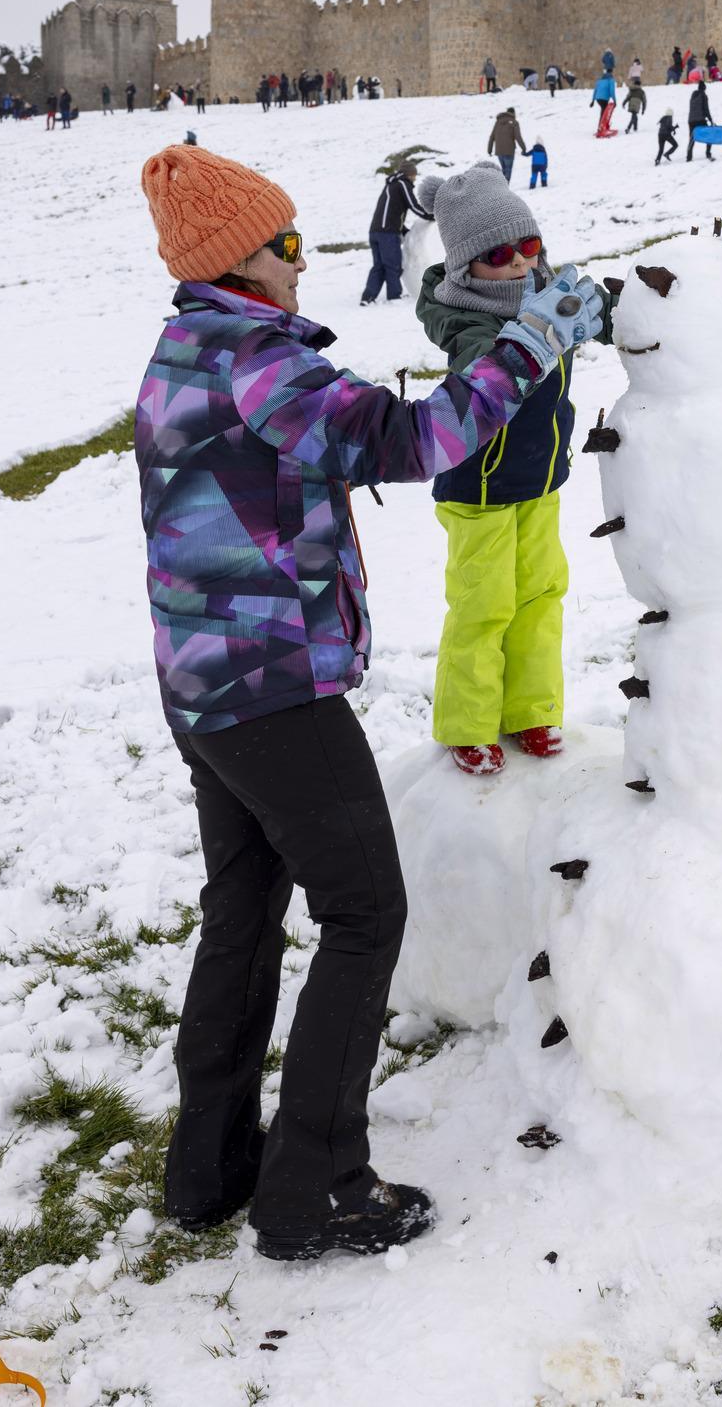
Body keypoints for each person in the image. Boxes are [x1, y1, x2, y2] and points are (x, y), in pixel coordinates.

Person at [136, 143, 601, 1260]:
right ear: (239, 262)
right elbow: (415, 439)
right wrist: (533, 340)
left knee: (243, 913)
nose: (306, 263)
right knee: (364, 912)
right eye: (287, 244)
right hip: (272, 687)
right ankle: (318, 1187)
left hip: (201, 684)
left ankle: (212, 1167)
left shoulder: (187, 348)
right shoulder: (258, 358)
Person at [414, 161, 610, 778]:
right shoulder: (468, 319)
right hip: (480, 489)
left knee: (540, 596)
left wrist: (610, 308)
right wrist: (535, 335)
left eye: (531, 246)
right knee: (484, 605)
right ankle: (467, 723)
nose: (522, 264)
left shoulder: (546, 296)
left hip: (540, 479)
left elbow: (589, 322)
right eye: (502, 255)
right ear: (467, 266)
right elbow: (487, 373)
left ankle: (531, 708)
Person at [361, 160, 432, 304]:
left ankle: (367, 297)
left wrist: (404, 230)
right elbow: (413, 205)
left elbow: (391, 213)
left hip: (375, 232)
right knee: (393, 265)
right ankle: (394, 296)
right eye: (414, 175)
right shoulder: (402, 184)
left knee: (379, 265)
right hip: (387, 234)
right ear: (409, 174)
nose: (415, 178)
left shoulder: (390, 185)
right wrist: (431, 215)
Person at [487, 106, 527, 181]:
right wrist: (523, 148)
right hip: (509, 150)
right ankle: (504, 189)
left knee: (504, 170)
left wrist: (489, 150)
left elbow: (492, 137)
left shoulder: (498, 122)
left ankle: (502, 188)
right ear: (513, 113)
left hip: (499, 151)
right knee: (508, 170)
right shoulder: (514, 122)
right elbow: (518, 137)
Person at [687, 79, 714, 161]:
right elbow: (706, 109)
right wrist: (710, 119)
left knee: (692, 138)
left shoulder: (693, 96)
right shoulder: (703, 95)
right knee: (709, 136)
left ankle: (689, 157)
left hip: (691, 120)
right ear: (704, 88)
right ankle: (708, 154)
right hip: (700, 120)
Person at [591, 70, 618, 137]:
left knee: (603, 112)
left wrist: (593, 101)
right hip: (604, 99)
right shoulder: (611, 80)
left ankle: (601, 127)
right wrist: (615, 101)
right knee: (604, 113)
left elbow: (595, 90)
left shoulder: (599, 81)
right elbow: (612, 91)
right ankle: (601, 128)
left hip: (598, 99)